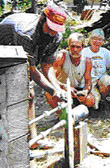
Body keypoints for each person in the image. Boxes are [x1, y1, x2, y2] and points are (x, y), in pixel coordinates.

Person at [0, 4, 67, 148]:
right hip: (5, 47)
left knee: (29, 95)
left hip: (21, 51)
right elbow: (32, 71)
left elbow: (47, 66)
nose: (52, 33)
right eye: (50, 29)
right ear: (42, 20)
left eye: (56, 30)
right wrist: (53, 91)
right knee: (18, 92)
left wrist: (57, 88)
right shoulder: (24, 33)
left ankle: (33, 140)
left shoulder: (56, 36)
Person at [44, 32, 95, 110]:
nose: (75, 50)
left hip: (77, 90)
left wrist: (85, 92)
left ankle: (77, 109)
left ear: (82, 47)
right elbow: (52, 78)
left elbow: (88, 82)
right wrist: (64, 87)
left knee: (90, 100)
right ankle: (60, 115)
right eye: (72, 46)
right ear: (68, 46)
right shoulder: (62, 57)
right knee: (49, 94)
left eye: (78, 47)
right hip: (62, 89)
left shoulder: (87, 61)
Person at [82, 28, 110, 109]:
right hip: (88, 81)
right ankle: (93, 103)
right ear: (90, 40)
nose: (97, 42)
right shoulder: (84, 51)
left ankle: (103, 100)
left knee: (107, 80)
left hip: (101, 79)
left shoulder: (104, 51)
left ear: (102, 41)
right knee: (92, 103)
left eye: (100, 39)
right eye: (94, 39)